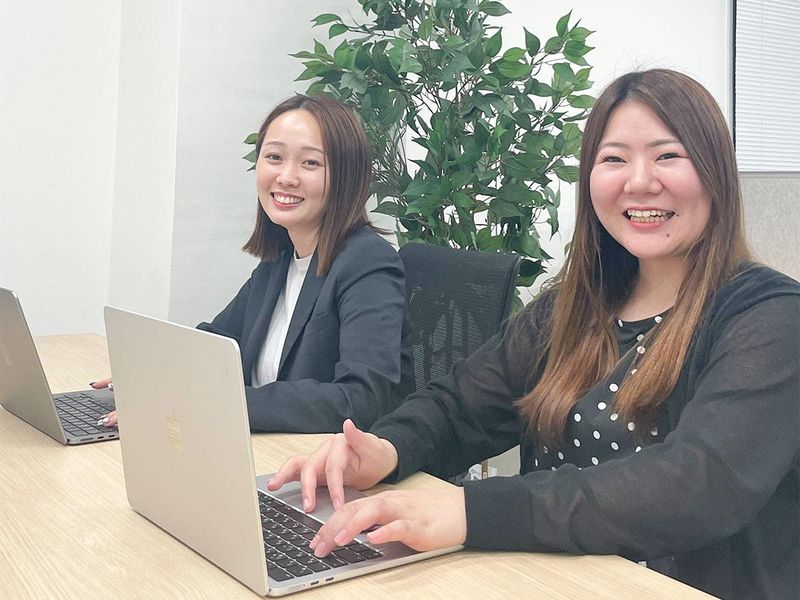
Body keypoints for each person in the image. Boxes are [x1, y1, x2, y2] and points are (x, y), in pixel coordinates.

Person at [266, 69, 800, 599]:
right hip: (545, 580)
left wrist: (472, 510)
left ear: (715, 172)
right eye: (613, 159)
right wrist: (386, 449)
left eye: (667, 156)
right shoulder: (574, 307)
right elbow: (461, 406)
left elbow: (700, 483)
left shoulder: (769, 316)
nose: (639, 181)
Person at [95, 94, 415, 432]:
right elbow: (218, 343)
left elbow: (359, 400)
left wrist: (214, 404)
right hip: (265, 449)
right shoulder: (280, 260)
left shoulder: (368, 264)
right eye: (274, 157)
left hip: (324, 459)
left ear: (346, 176)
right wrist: (153, 376)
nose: (286, 177)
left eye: (310, 163)